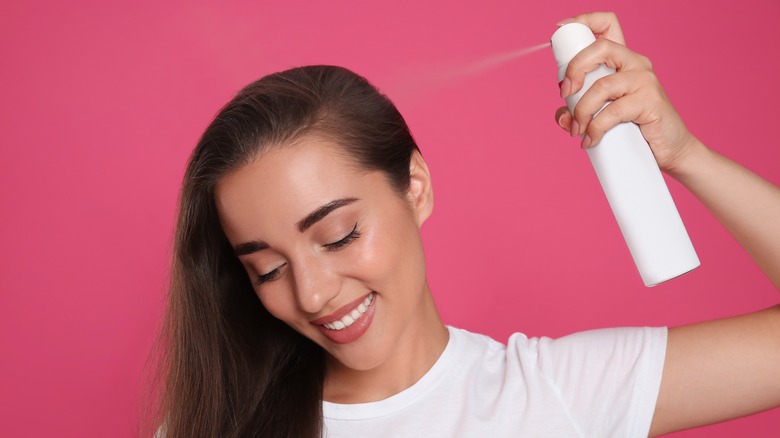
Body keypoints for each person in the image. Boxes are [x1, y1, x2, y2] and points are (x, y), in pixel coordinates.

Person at [151, 12, 780, 438]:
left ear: (415, 188)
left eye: (339, 236)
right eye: (268, 269)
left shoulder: (554, 394)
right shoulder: (208, 426)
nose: (311, 295)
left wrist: (684, 155)